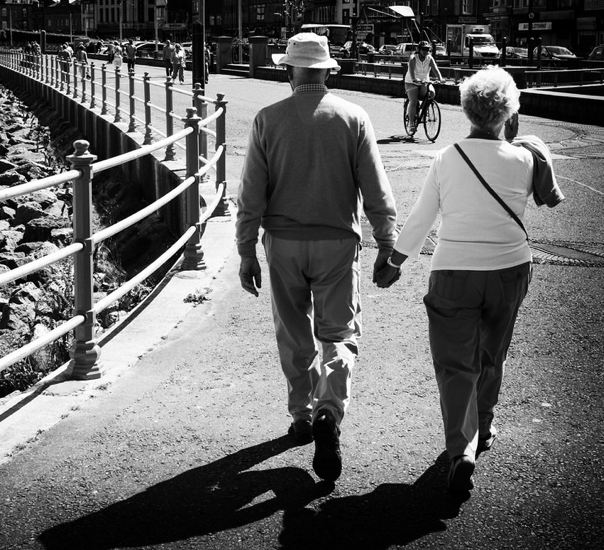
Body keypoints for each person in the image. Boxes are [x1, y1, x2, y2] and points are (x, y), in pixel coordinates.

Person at [375, 65, 564, 494]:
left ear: (466, 109)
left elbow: (422, 218)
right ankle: (485, 422)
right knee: (491, 353)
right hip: (511, 268)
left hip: (454, 271)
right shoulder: (525, 157)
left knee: (454, 362)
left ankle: (461, 448)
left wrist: (396, 261)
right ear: (509, 111)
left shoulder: (447, 157)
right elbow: (547, 198)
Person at [236, 33, 398, 483]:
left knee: (293, 333)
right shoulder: (354, 117)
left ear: (288, 70)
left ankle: (301, 416)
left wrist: (246, 250)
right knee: (340, 335)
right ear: (328, 71)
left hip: (283, 244)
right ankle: (330, 410)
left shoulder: (268, 119)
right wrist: (387, 243)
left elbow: (251, 193)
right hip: (336, 245)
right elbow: (375, 189)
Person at [405, 40, 443, 135]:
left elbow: (435, 69)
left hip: (424, 81)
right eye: (424, 49)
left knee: (431, 94)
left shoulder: (429, 58)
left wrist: (441, 79)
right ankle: (411, 123)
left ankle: (423, 112)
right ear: (419, 49)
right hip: (411, 82)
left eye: (427, 49)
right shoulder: (413, 58)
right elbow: (411, 71)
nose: (426, 51)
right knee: (413, 101)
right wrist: (414, 79)